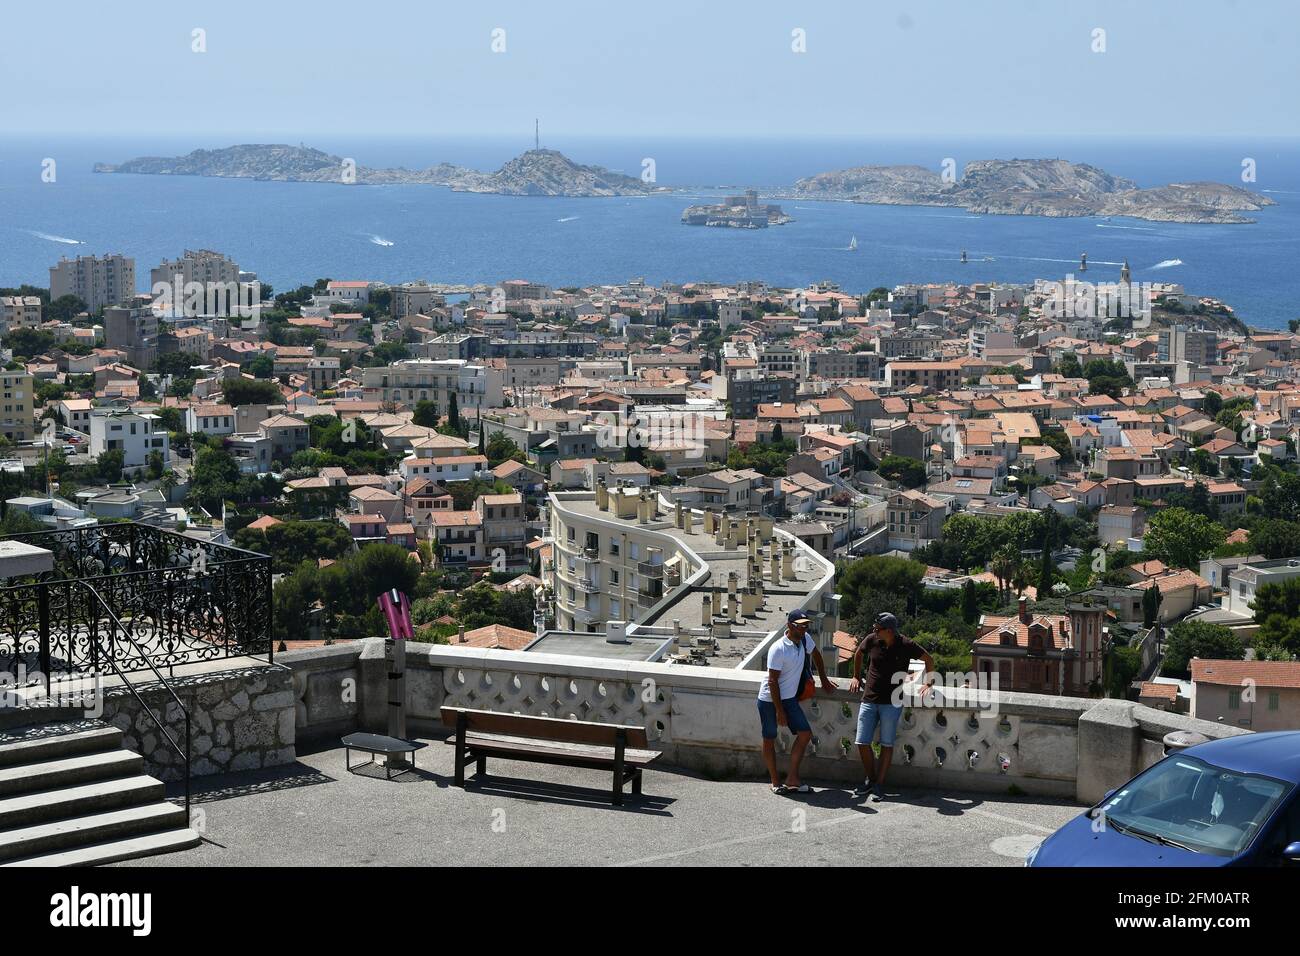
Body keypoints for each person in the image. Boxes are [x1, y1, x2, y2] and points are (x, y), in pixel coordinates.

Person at [849, 611, 934, 801]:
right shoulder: (872, 640)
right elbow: (858, 654)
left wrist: (928, 683)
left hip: (892, 702)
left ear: (888, 630)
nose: (874, 631)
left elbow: (929, 659)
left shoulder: (906, 644)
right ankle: (870, 780)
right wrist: (856, 676)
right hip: (869, 699)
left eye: (877, 629)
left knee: (887, 743)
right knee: (862, 742)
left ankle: (879, 784)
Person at [757, 608, 836, 794]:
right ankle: (775, 782)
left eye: (806, 626)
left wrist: (823, 679)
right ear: (789, 626)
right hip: (770, 699)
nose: (804, 630)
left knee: (805, 734)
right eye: (800, 627)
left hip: (789, 699)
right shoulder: (778, 649)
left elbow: (816, 655)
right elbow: (772, 681)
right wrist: (780, 711)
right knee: (769, 738)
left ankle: (792, 778)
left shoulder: (805, 640)